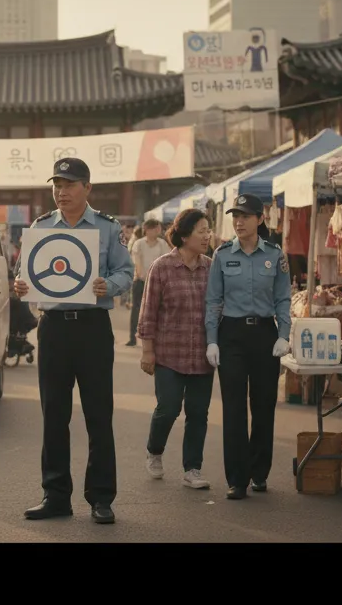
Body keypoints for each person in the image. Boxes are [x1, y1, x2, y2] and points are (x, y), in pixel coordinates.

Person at [13, 158, 133, 524]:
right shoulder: (41, 226)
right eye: (56, 185)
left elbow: (125, 271)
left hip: (93, 326)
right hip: (53, 328)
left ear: (87, 188)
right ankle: (55, 496)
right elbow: (26, 273)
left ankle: (101, 498)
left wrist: (107, 286)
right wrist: (21, 285)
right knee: (54, 415)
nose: (61, 192)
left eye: (69, 184)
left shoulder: (107, 228)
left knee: (99, 414)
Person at [205, 194, 292, 500]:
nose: (238, 222)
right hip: (231, 335)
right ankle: (237, 479)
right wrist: (212, 340)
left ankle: (259, 472)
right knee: (234, 408)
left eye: (244, 216)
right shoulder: (222, 254)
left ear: (259, 219)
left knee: (264, 404)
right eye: (235, 217)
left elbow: (283, 297)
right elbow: (213, 301)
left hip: (265, 334)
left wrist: (285, 334)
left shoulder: (276, 254)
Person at [137, 209, 214, 490]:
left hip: (203, 355)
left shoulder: (211, 267)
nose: (207, 236)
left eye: (209, 230)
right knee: (168, 409)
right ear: (184, 235)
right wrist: (148, 351)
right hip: (169, 354)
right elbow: (148, 312)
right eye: (201, 230)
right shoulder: (162, 267)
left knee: (197, 413)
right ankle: (154, 451)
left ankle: (192, 468)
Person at [126, 218, 173, 347]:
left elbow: (166, 261)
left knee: (158, 310)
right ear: (147, 230)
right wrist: (142, 276)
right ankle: (132, 337)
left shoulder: (162, 244)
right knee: (136, 309)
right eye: (155, 228)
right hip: (140, 280)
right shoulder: (139, 243)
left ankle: (157, 338)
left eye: (158, 228)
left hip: (158, 282)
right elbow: (137, 262)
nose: (158, 231)